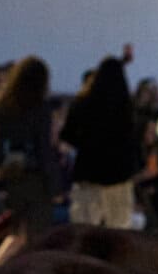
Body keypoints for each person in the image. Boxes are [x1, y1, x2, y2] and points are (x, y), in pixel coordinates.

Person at [60, 55, 143, 230]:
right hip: (119, 175)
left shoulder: (82, 104)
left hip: (88, 172)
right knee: (119, 228)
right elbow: (133, 141)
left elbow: (67, 135)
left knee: (84, 229)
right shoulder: (126, 109)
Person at [0, 55, 58, 255]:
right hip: (35, 179)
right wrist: (54, 184)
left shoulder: (5, 106)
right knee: (35, 239)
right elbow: (43, 148)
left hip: (13, 174)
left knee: (16, 233)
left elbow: (1, 146)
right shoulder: (41, 109)